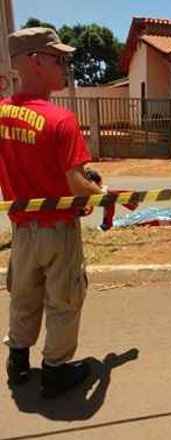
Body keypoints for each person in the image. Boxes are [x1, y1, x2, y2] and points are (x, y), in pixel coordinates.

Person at [0, 27, 103, 398]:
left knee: (24, 295)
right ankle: (55, 371)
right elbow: (77, 185)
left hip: (22, 230)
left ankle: (17, 360)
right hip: (59, 231)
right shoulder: (61, 121)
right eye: (58, 59)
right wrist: (103, 194)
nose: (65, 66)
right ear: (35, 62)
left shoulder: (2, 115)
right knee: (64, 300)